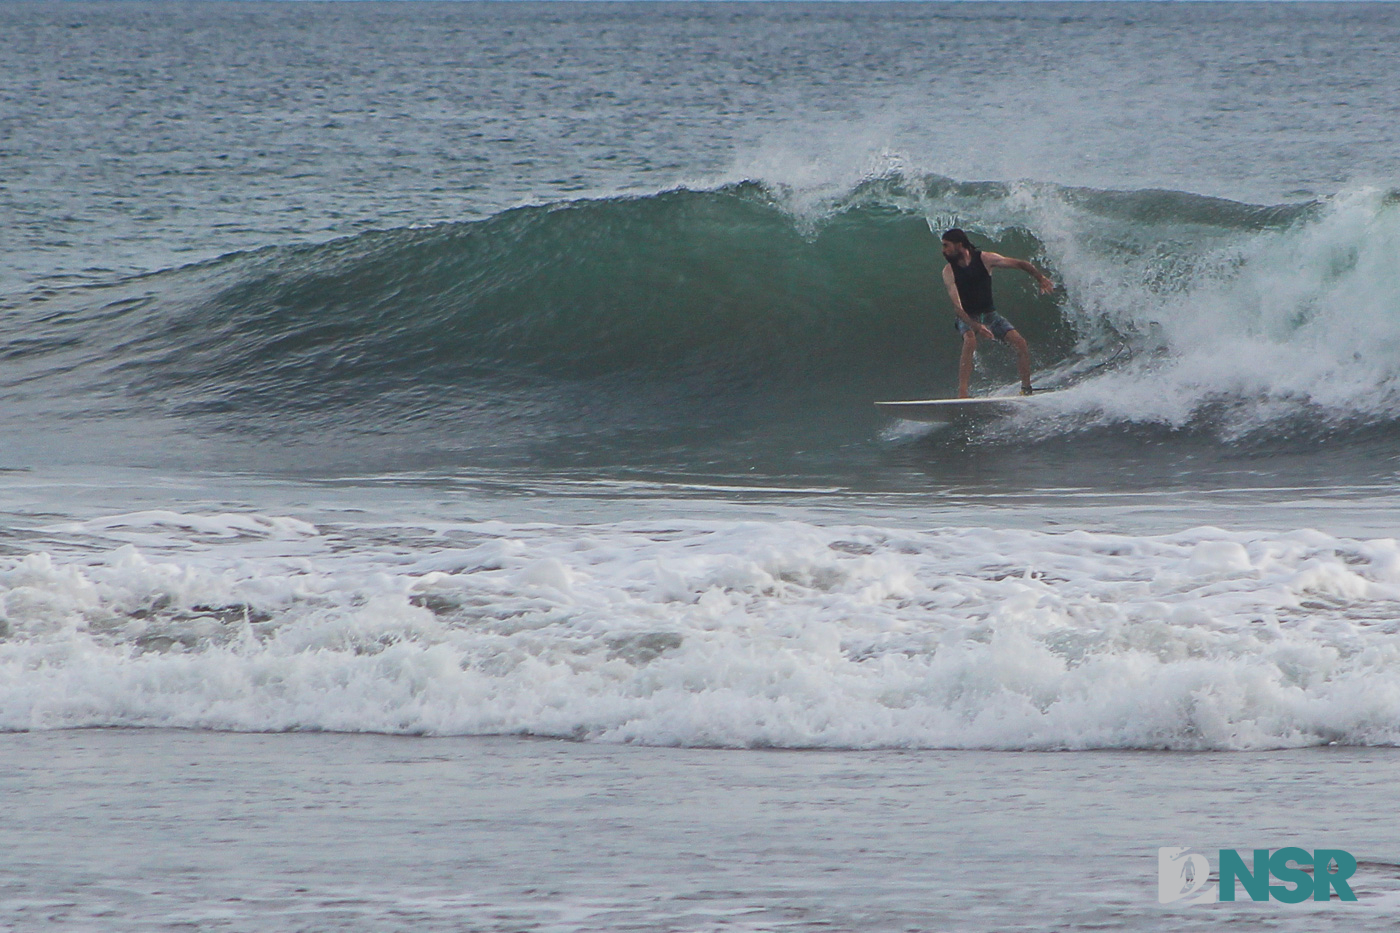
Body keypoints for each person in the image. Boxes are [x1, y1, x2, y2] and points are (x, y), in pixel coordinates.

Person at [940, 228, 1054, 398]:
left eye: (946, 245)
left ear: (959, 245)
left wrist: (1040, 278)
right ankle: (962, 393)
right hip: (967, 316)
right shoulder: (949, 271)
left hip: (989, 314)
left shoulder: (985, 259)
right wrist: (976, 326)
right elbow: (958, 308)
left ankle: (1026, 389)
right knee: (970, 340)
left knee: (1020, 343)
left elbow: (1021, 264)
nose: (943, 250)